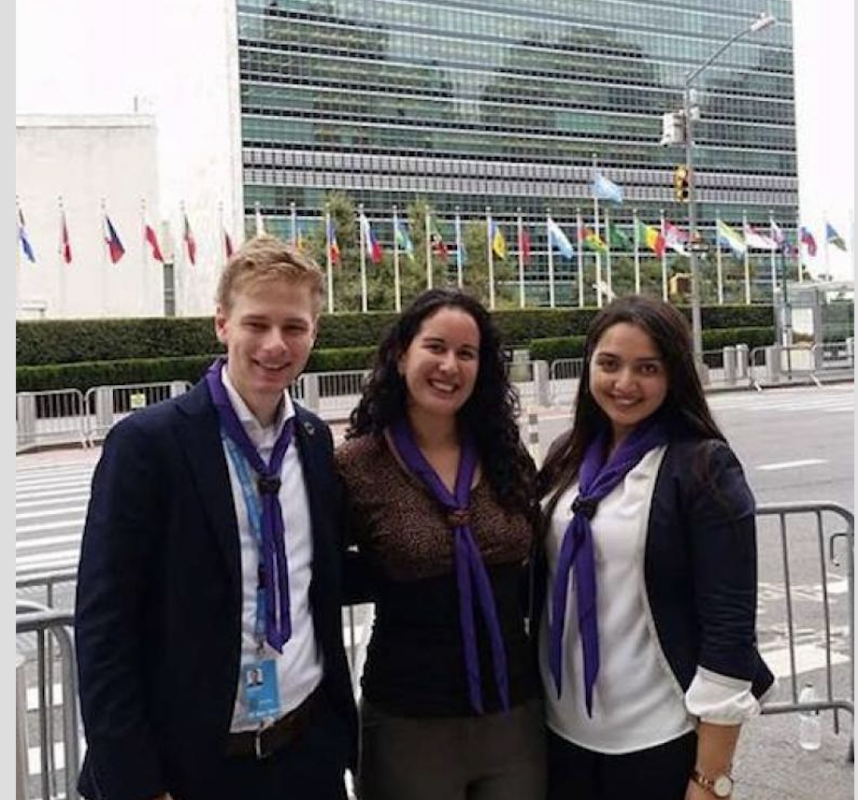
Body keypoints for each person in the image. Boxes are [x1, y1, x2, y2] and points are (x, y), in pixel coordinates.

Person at [75, 235, 357, 800]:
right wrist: (137, 784)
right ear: (222, 324)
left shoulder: (313, 439)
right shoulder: (149, 444)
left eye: (294, 327)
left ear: (314, 334)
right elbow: (104, 626)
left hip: (304, 755)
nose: (275, 345)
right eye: (257, 324)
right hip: (191, 768)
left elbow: (316, 579)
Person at [535, 295, 775, 800]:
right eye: (609, 364)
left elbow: (729, 629)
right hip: (560, 734)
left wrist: (710, 781)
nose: (625, 384)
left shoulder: (704, 467)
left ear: (674, 376)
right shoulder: (567, 457)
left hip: (658, 736)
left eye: (647, 368)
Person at [335, 288, 546, 800]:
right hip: (408, 720)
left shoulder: (503, 453)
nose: (449, 366)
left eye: (466, 354)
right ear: (401, 353)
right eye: (435, 347)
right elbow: (320, 570)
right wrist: (391, 572)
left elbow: (535, 559)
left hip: (513, 714)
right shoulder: (356, 466)